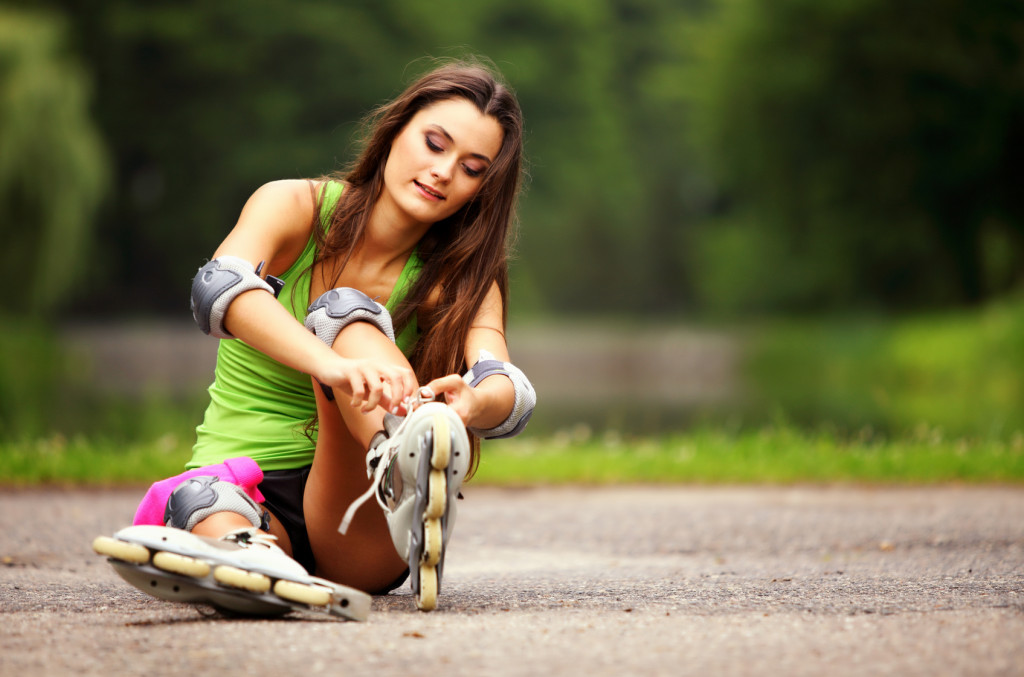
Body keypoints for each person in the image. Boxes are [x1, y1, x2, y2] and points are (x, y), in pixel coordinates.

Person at [92, 59, 536, 618]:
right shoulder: (294, 206)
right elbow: (218, 289)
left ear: (481, 190)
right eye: (433, 143)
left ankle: (404, 454)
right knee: (203, 500)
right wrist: (328, 366)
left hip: (359, 514)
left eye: (472, 168)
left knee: (346, 311)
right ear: (395, 130)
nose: (443, 171)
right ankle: (244, 560)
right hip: (247, 483)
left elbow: (507, 386)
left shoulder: (461, 272)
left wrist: (471, 404)